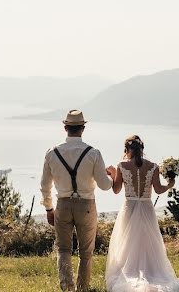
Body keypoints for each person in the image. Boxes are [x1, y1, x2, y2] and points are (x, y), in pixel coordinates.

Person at [40, 109, 116, 292]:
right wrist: (112, 176)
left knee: (64, 250)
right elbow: (105, 186)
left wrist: (49, 209)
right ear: (83, 128)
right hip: (86, 205)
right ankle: (83, 289)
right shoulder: (93, 153)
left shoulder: (52, 152)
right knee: (86, 253)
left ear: (65, 127)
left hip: (63, 205)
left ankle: (67, 288)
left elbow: (44, 186)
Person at [105, 135, 179, 292]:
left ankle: (129, 272)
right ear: (142, 149)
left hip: (129, 207)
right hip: (146, 207)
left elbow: (116, 190)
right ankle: (152, 271)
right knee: (148, 241)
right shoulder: (153, 166)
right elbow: (158, 189)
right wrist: (170, 185)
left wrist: (111, 174)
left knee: (127, 242)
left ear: (126, 149)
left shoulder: (121, 165)